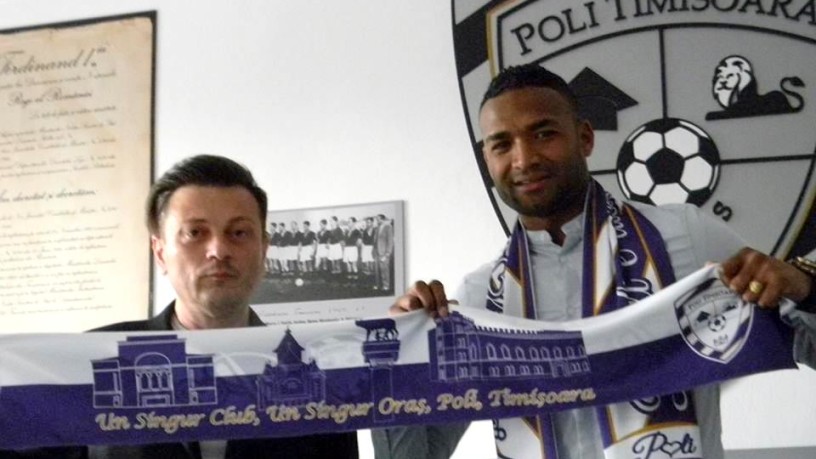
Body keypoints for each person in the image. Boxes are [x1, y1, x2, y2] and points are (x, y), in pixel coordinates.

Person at [373, 64, 816, 459]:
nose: (524, 159)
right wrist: (396, 359)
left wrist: (805, 288)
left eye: (544, 133)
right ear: (487, 159)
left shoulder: (685, 235)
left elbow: (805, 342)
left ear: (584, 137)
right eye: (502, 144)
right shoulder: (478, 300)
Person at [1, 155, 359, 459]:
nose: (218, 250)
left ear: (264, 250)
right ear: (160, 252)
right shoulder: (89, 360)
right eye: (195, 233)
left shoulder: (318, 368)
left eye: (238, 233)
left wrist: (400, 341)